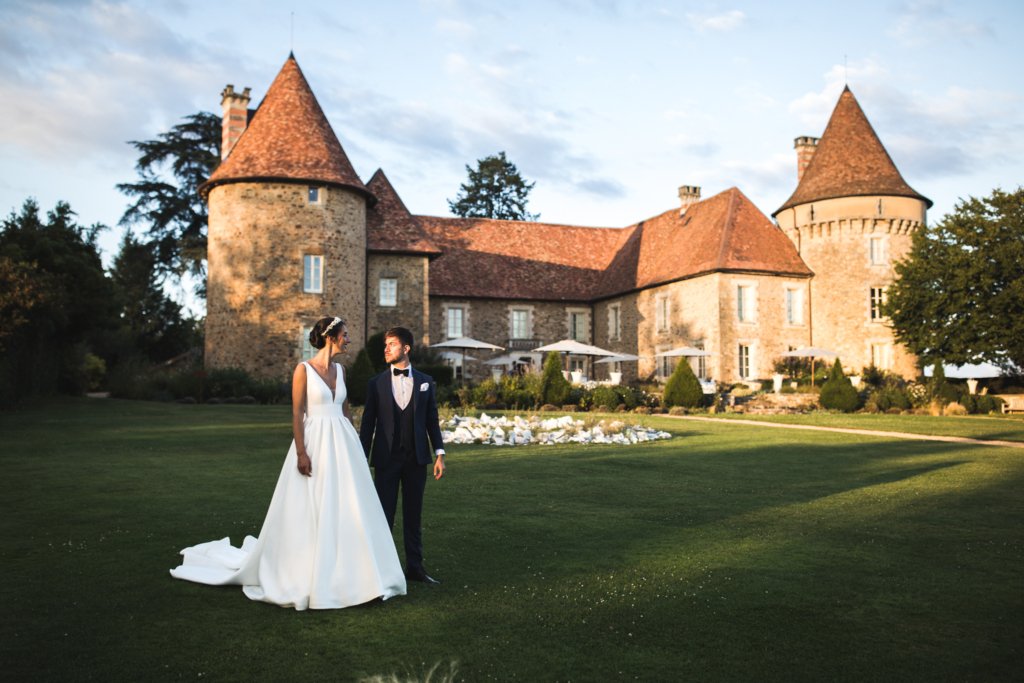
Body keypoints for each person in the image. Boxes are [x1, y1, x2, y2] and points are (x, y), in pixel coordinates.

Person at [170, 316, 406, 609]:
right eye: (345, 334)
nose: (349, 339)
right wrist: (301, 453)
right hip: (315, 442)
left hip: (343, 445)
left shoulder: (343, 371)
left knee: (350, 506)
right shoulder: (303, 370)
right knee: (314, 506)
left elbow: (345, 413)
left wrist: (357, 447)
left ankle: (359, 575)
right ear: (331, 337)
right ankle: (309, 570)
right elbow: (296, 414)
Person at [360, 326, 447, 584]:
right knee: (384, 515)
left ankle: (415, 568)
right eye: (385, 345)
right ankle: (383, 569)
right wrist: (360, 458)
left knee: (413, 515)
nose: (385, 349)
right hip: (386, 460)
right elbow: (367, 426)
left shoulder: (425, 382)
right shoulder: (375, 384)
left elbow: (432, 420)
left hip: (416, 459)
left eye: (391, 344)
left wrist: (439, 453)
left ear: (406, 348)